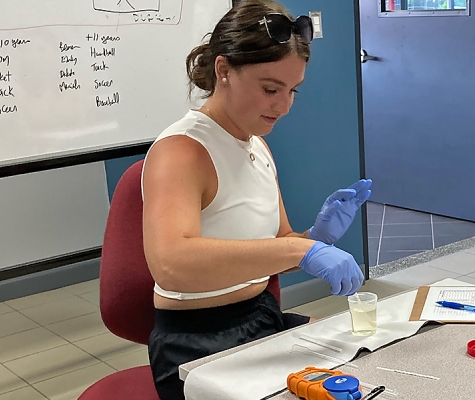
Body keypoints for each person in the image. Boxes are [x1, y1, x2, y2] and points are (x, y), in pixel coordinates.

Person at [141, 1, 372, 399]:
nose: (283, 106)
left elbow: (278, 242)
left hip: (260, 319)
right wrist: (302, 251)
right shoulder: (182, 151)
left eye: (292, 91)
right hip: (196, 342)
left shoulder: (257, 146)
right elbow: (170, 264)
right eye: (270, 89)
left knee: (367, 369)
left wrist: (312, 237)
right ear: (224, 70)